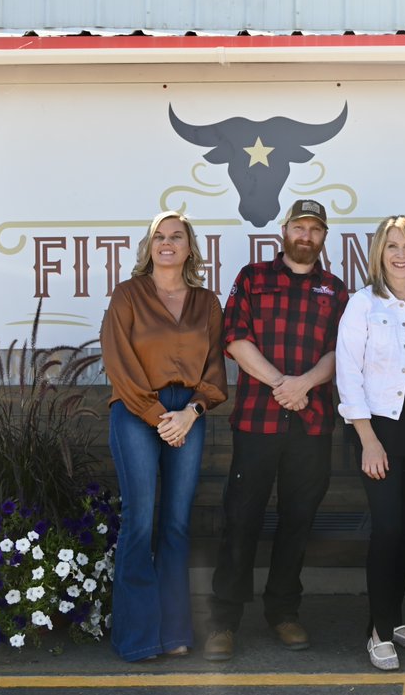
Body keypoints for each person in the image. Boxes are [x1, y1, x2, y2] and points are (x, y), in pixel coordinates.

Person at [203, 198, 348, 662]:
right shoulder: (252, 278)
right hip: (256, 421)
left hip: (312, 424)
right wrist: (283, 384)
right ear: (284, 231)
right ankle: (224, 621)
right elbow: (235, 339)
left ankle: (283, 612)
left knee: (297, 522)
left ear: (324, 237)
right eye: (299, 227)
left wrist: (303, 384)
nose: (306, 236)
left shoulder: (335, 289)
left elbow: (338, 353)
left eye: (315, 229)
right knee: (241, 519)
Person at [100, 210, 228, 662]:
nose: (168, 242)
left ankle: (174, 633)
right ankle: (137, 637)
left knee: (175, 523)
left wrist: (190, 413)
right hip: (137, 411)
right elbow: (118, 363)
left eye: (177, 236)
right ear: (149, 246)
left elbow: (214, 372)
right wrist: (159, 416)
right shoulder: (128, 295)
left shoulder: (206, 302)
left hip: (189, 414)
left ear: (190, 247)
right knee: (139, 520)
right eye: (160, 236)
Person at [335, 215, 405, 671]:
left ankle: (393, 617)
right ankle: (378, 631)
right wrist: (368, 440)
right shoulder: (362, 304)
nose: (400, 254)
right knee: (386, 530)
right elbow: (348, 373)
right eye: (391, 246)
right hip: (378, 434)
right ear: (379, 254)